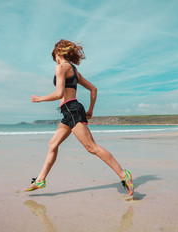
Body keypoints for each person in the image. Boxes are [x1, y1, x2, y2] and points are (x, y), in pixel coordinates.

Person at [24, 39, 134, 196]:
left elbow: (59, 93)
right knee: (52, 145)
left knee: (91, 147)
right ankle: (41, 180)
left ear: (57, 53)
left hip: (71, 110)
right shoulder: (74, 70)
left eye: (54, 56)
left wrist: (39, 98)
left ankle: (124, 175)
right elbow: (93, 89)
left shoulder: (61, 67)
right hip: (70, 111)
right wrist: (90, 110)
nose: (54, 59)